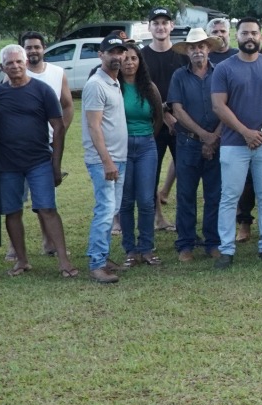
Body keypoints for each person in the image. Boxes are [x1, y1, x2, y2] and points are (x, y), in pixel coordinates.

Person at [0, 44, 78, 278]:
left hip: (39, 161)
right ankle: (22, 260)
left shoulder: (42, 90)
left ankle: (64, 261)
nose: (15, 66)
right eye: (10, 63)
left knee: (47, 208)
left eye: (19, 61)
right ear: (2, 68)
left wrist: (55, 165)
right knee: (12, 211)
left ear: (26, 62)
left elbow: (58, 127)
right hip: (8, 163)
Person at [211, 17, 262, 267]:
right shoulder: (224, 68)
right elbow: (218, 105)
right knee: (229, 196)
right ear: (237, 36)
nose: (250, 37)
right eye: (245, 33)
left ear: (261, 37)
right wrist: (245, 131)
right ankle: (226, 249)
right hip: (234, 143)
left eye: (254, 33)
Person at [16, 30, 73, 261]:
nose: (32, 51)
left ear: (44, 48)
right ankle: (15, 247)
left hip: (48, 145)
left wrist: (60, 132)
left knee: (45, 196)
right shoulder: (15, 73)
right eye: (28, 48)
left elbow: (68, 106)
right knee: (17, 197)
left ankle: (49, 242)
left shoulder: (57, 73)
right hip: (20, 146)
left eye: (36, 47)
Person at [166, 28, 222, 262]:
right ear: (187, 51)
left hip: (218, 143)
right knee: (186, 194)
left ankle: (213, 243)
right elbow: (177, 109)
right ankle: (185, 244)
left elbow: (229, 106)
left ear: (208, 48)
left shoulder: (221, 73)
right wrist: (203, 135)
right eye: (192, 47)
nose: (197, 50)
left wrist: (214, 137)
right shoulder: (179, 76)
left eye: (201, 46)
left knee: (215, 195)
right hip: (188, 142)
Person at [82, 36, 130, 284]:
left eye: (121, 52)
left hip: (117, 157)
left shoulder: (113, 82)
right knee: (104, 211)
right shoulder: (96, 85)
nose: (118, 56)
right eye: (112, 52)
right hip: (104, 160)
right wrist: (107, 162)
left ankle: (103, 256)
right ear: (101, 55)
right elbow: (94, 127)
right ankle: (97, 263)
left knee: (112, 210)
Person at [117, 42, 165, 268]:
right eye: (125, 58)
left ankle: (146, 247)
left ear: (139, 62)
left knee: (146, 200)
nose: (129, 63)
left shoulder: (149, 87)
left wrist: (146, 137)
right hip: (121, 148)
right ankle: (130, 249)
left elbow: (158, 118)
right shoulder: (113, 86)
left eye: (133, 58)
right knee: (126, 201)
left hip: (146, 146)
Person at [138, 8, 185, 236]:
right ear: (149, 27)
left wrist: (176, 115)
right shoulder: (141, 56)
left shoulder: (181, 55)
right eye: (155, 23)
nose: (160, 27)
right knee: (150, 176)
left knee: (186, 174)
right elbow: (141, 90)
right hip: (151, 126)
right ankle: (157, 218)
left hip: (180, 125)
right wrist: (163, 114)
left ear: (171, 26)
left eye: (164, 23)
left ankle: (184, 224)